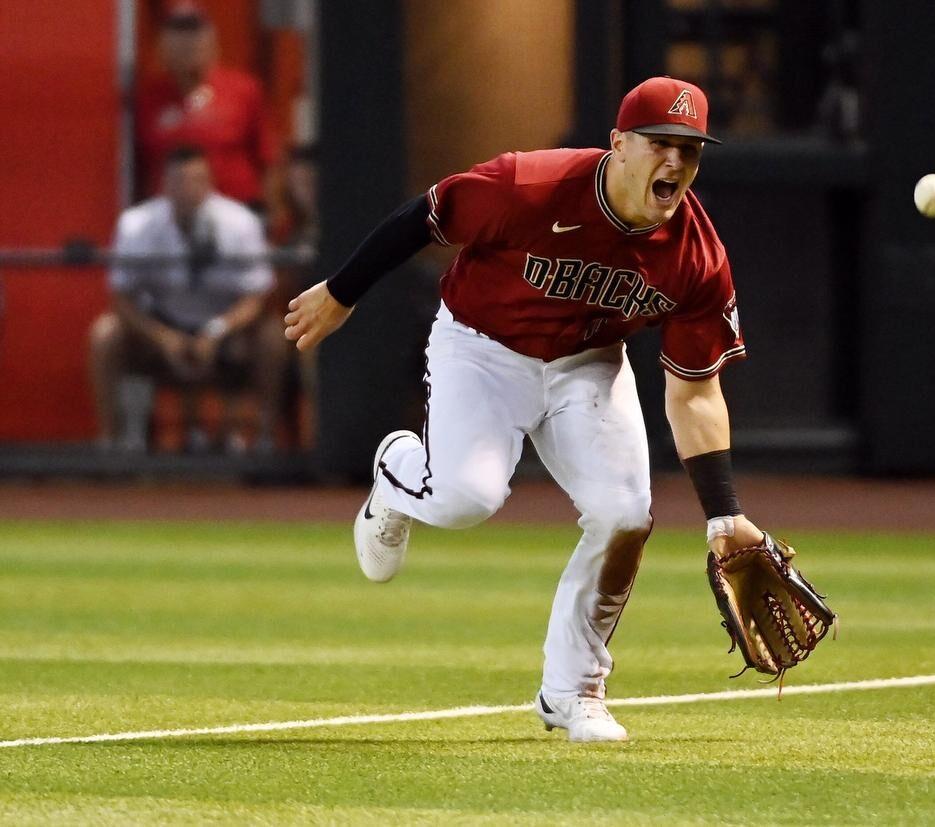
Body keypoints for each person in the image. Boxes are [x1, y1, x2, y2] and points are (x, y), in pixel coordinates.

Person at [283, 77, 767, 742]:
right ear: (620, 144)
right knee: (465, 497)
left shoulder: (696, 256)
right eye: (662, 143)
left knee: (625, 514)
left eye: (691, 149)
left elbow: (694, 390)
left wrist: (723, 511)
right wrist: (342, 293)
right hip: (483, 347)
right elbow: (425, 216)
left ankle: (574, 691)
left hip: (587, 364)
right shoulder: (530, 186)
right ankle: (398, 474)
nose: (677, 162)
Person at [90, 146, 287, 453]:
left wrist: (217, 330)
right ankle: (111, 444)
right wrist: (162, 337)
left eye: (197, 180)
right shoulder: (136, 224)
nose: (188, 189)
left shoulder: (239, 222)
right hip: (160, 326)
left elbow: (257, 296)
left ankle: (265, 440)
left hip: (225, 327)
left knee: (273, 336)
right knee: (105, 334)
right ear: (164, 185)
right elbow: (121, 296)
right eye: (179, 181)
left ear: (209, 183)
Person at [135, 1, 278, 208]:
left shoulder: (243, 90)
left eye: (196, 33)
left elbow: (268, 159)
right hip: (172, 220)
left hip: (236, 215)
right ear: (163, 43)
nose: (188, 42)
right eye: (179, 33)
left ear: (211, 40)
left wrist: (267, 216)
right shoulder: (148, 98)